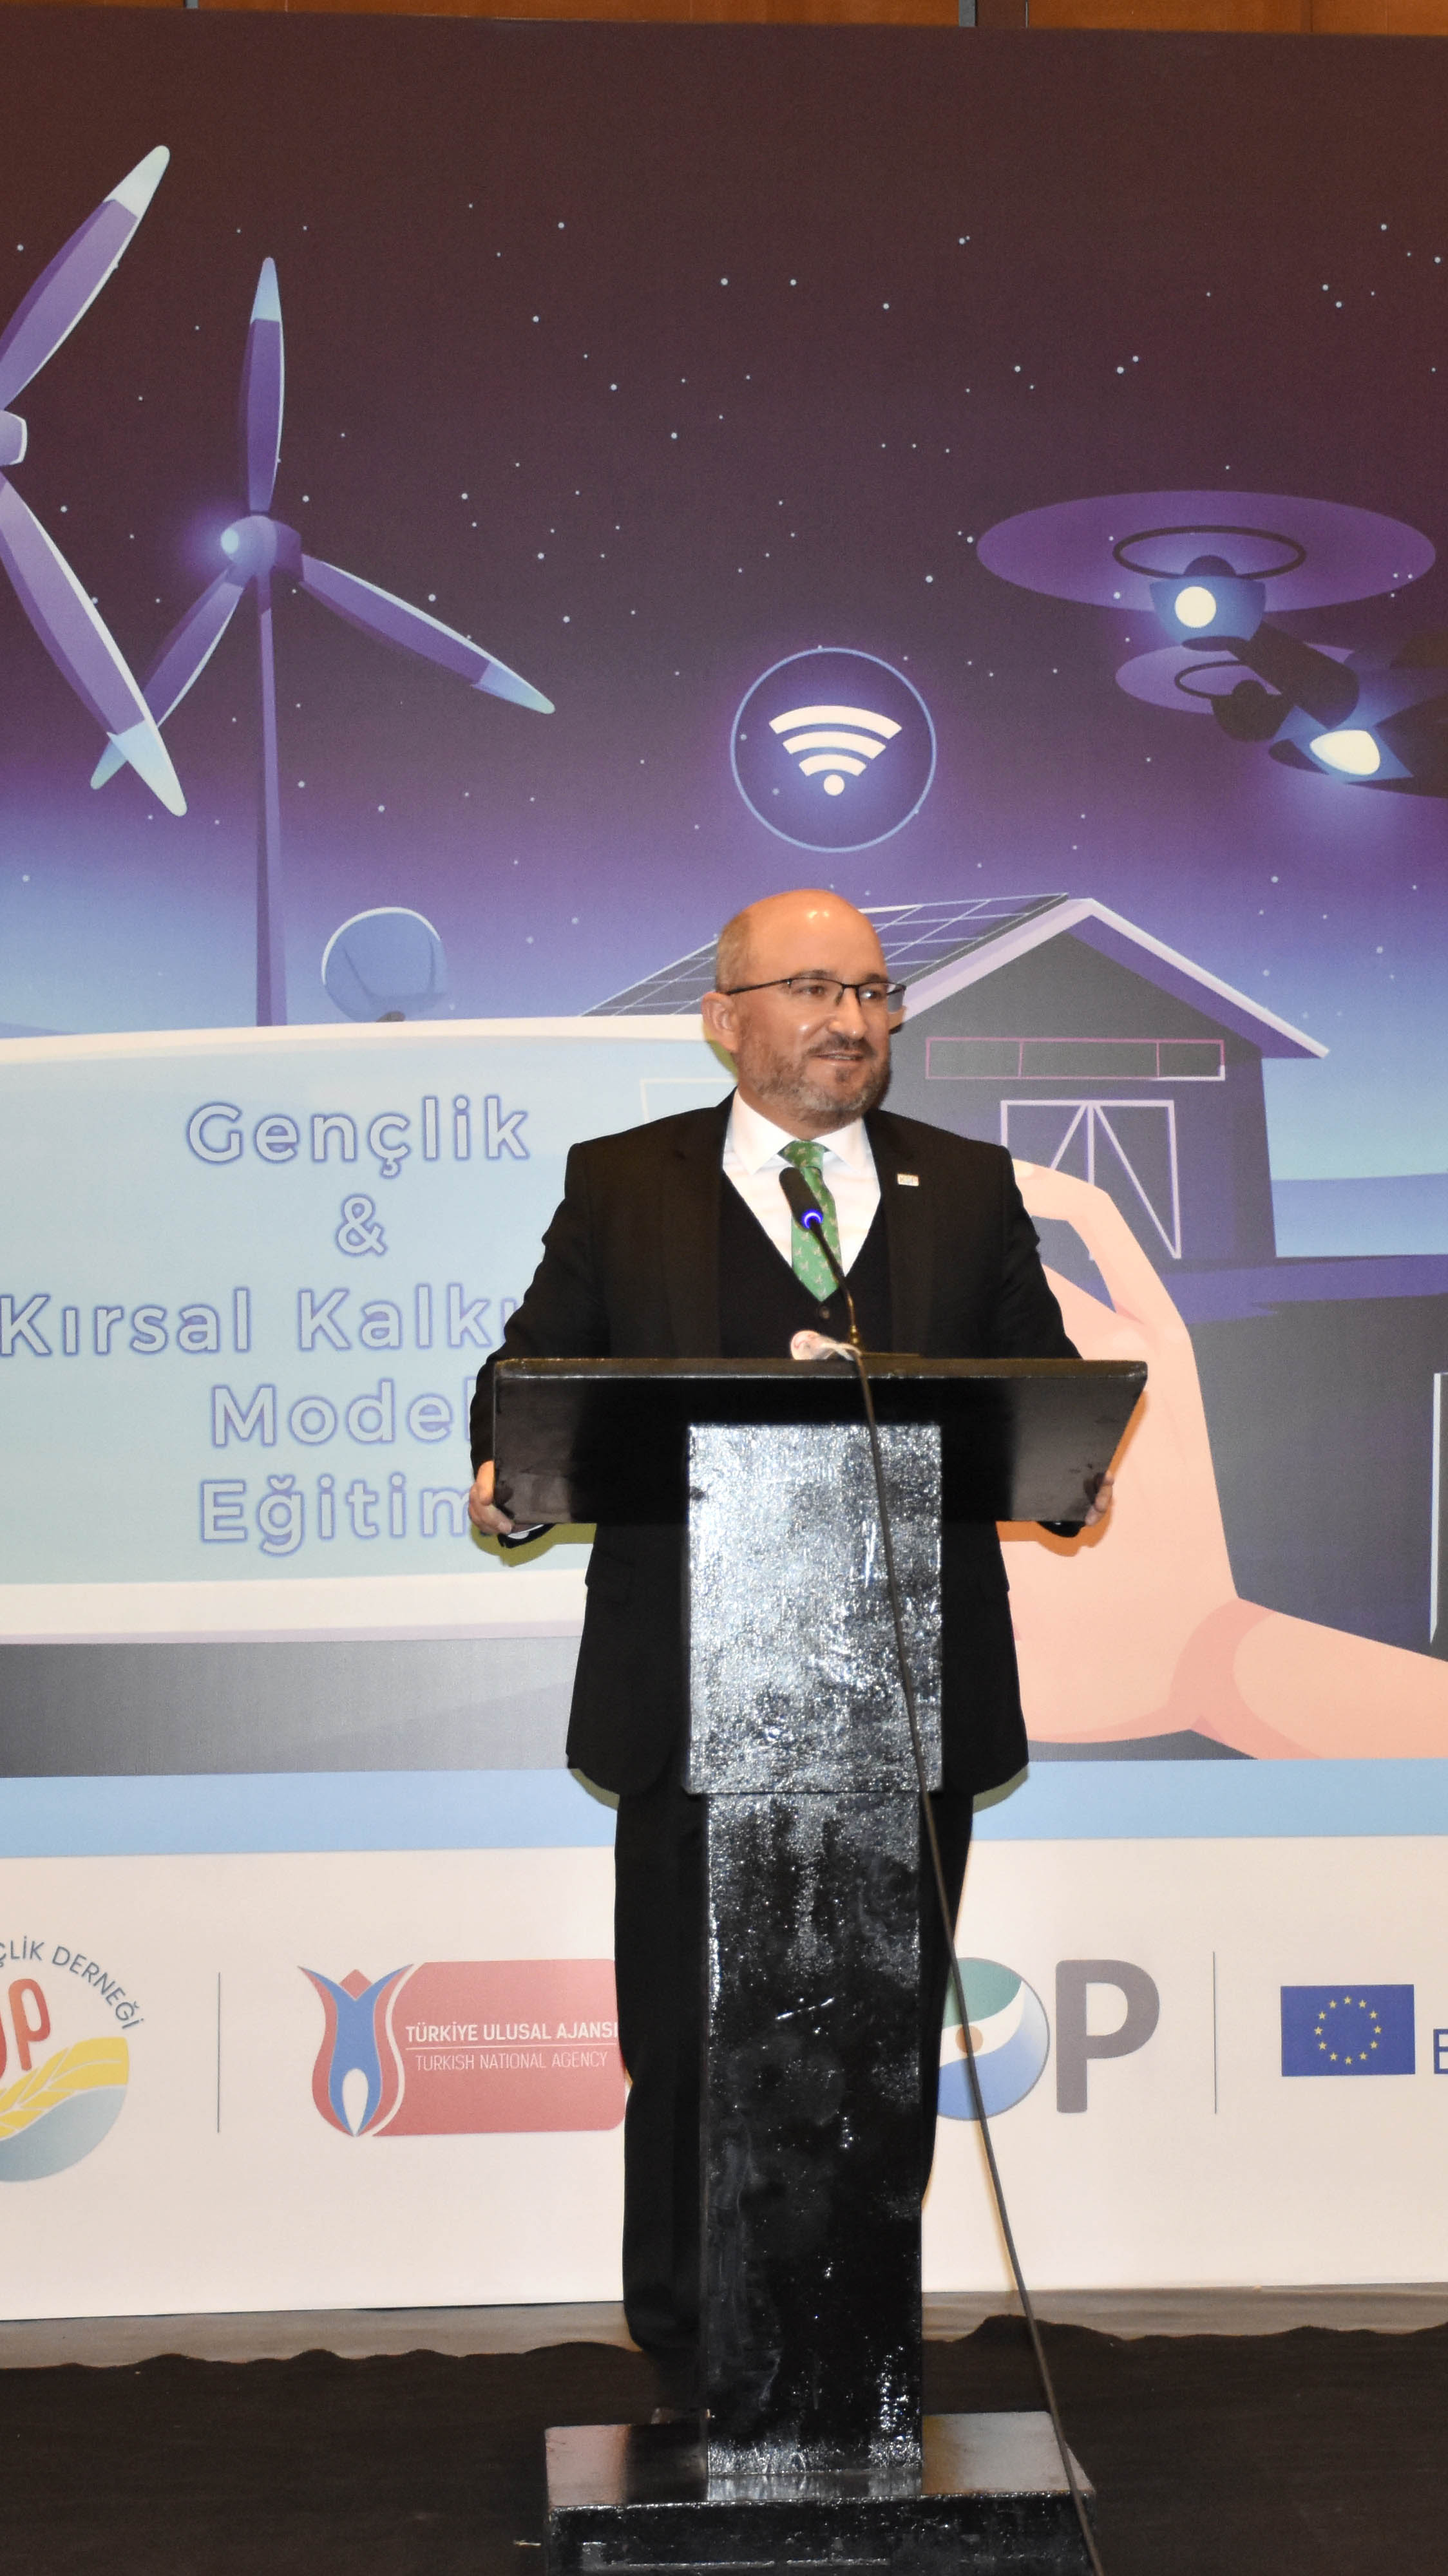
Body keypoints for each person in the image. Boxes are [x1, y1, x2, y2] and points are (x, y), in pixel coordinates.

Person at [466, 887, 1078, 2419]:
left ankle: (858, 2341)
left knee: (880, 2034)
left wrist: (1070, 1456)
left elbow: (1043, 1383)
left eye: (872, 990)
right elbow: (531, 1364)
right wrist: (506, 1459)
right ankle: (687, 2348)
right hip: (690, 1688)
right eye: (812, 986)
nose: (851, 1019)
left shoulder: (968, 1183)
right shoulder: (626, 1182)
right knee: (687, 2034)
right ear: (722, 1015)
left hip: (904, 1688)